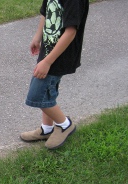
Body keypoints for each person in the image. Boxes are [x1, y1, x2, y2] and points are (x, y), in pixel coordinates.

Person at [20, 0, 89, 149]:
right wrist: (37, 37)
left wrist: (48, 62)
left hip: (59, 55)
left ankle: (65, 125)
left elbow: (71, 31)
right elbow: (46, 12)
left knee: (37, 95)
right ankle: (47, 129)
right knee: (47, 93)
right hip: (48, 49)